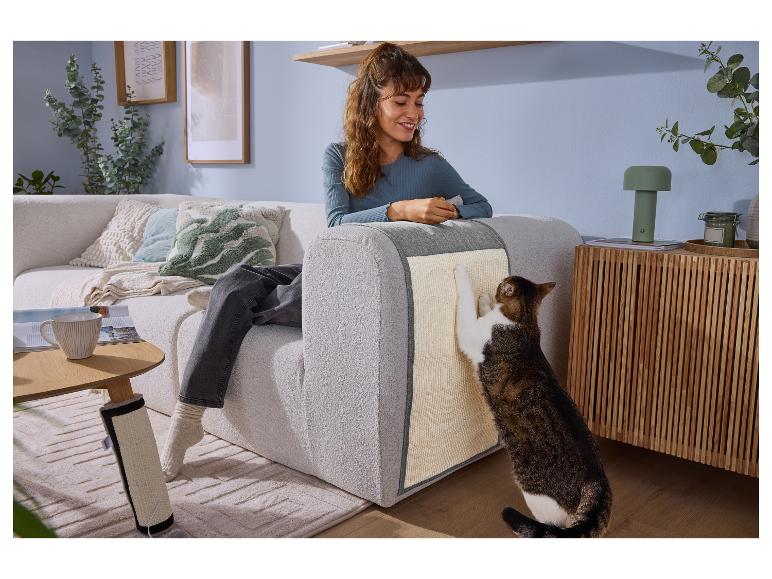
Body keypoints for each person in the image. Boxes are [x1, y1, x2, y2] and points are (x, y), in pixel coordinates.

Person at [160, 42, 493, 480]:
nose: (414, 112)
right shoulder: (338, 156)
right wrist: (397, 211)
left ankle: (229, 304)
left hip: (366, 286)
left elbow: (482, 205)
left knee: (246, 290)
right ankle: (188, 419)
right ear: (372, 103)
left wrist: (439, 212)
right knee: (240, 275)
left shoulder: (430, 166)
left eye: (418, 102)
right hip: (326, 266)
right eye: (401, 101)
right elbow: (337, 224)